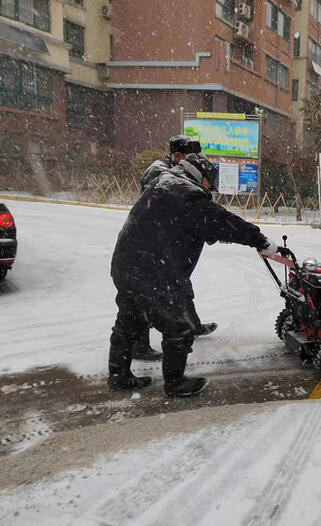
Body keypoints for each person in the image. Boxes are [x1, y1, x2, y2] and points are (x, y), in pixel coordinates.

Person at [109, 153, 277, 397]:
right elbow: (223, 222)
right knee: (180, 327)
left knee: (129, 320)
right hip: (154, 272)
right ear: (200, 175)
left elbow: (191, 224)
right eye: (209, 182)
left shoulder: (164, 184)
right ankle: (175, 383)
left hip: (126, 265)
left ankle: (118, 376)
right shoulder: (186, 195)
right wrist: (260, 240)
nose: (210, 188)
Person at [132, 137, 214, 361]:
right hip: (151, 242)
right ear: (178, 156)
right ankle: (139, 344)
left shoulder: (176, 170)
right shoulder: (159, 172)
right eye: (191, 160)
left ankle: (192, 324)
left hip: (167, 240)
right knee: (146, 294)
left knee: (180, 284)